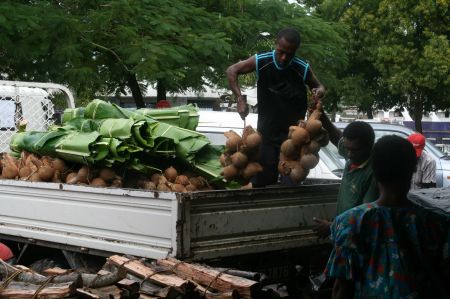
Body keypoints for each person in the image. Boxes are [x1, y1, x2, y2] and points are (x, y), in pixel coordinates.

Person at [325, 135, 449, 298]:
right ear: (412, 169)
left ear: (374, 171)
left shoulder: (350, 223)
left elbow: (341, 289)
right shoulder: (436, 224)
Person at [226, 27, 325, 187]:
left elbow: (320, 86)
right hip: (266, 136)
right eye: (281, 52)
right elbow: (232, 70)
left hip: (294, 139)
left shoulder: (302, 68)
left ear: (296, 51)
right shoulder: (262, 60)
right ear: (275, 44)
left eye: (290, 54)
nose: (284, 57)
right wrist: (239, 99)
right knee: (262, 183)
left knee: (291, 184)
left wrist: (318, 92)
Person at [313, 110, 379, 238]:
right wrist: (320, 113)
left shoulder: (373, 172)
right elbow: (335, 135)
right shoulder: (353, 156)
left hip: (356, 239)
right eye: (347, 149)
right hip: (341, 233)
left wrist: (332, 226)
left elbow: (365, 215)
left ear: (369, 146)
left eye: (354, 150)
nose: (349, 154)